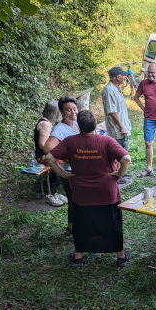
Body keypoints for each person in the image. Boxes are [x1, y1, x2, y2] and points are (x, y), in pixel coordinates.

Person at [46, 110, 131, 268]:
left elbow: (49, 158)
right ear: (95, 124)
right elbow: (126, 158)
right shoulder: (107, 141)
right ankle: (120, 256)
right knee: (112, 222)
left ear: (79, 126)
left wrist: (63, 174)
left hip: (81, 192)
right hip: (107, 191)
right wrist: (119, 173)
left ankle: (79, 256)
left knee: (82, 222)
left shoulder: (70, 142)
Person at [44, 96, 80, 233]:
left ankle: (73, 227)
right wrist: (66, 157)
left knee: (80, 199)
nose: (73, 112)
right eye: (68, 110)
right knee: (73, 200)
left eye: (75, 109)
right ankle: (71, 229)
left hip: (80, 170)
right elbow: (48, 149)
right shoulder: (59, 129)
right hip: (69, 171)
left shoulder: (77, 123)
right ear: (61, 112)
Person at [102, 66, 133, 185]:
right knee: (119, 153)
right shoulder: (109, 90)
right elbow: (112, 111)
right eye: (123, 76)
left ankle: (122, 172)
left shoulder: (116, 88)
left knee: (123, 151)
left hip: (123, 126)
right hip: (117, 129)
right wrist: (121, 126)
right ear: (118, 77)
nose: (125, 77)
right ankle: (117, 175)